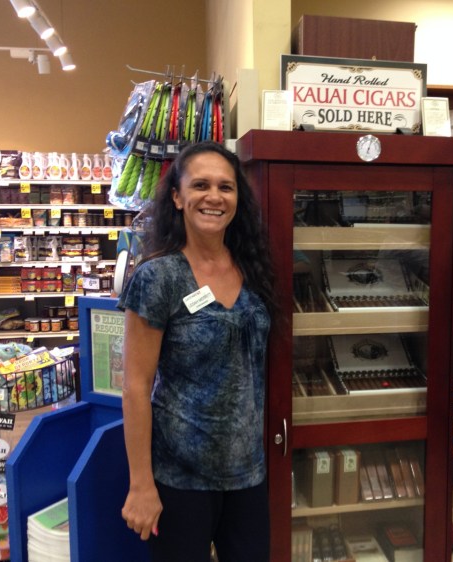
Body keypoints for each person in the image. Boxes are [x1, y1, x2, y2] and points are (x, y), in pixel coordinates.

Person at [118, 141, 277, 562]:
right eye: (200, 185)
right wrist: (141, 484)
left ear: (238, 199)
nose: (214, 197)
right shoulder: (159, 277)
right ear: (177, 196)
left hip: (247, 475)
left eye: (226, 187)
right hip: (178, 480)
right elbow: (135, 387)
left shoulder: (253, 269)